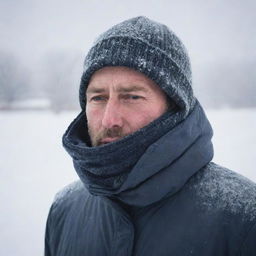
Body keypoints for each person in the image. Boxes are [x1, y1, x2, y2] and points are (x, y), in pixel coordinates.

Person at [44, 16, 256, 256]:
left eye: (132, 97)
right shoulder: (64, 209)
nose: (109, 119)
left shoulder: (243, 216)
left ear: (175, 107)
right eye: (98, 98)